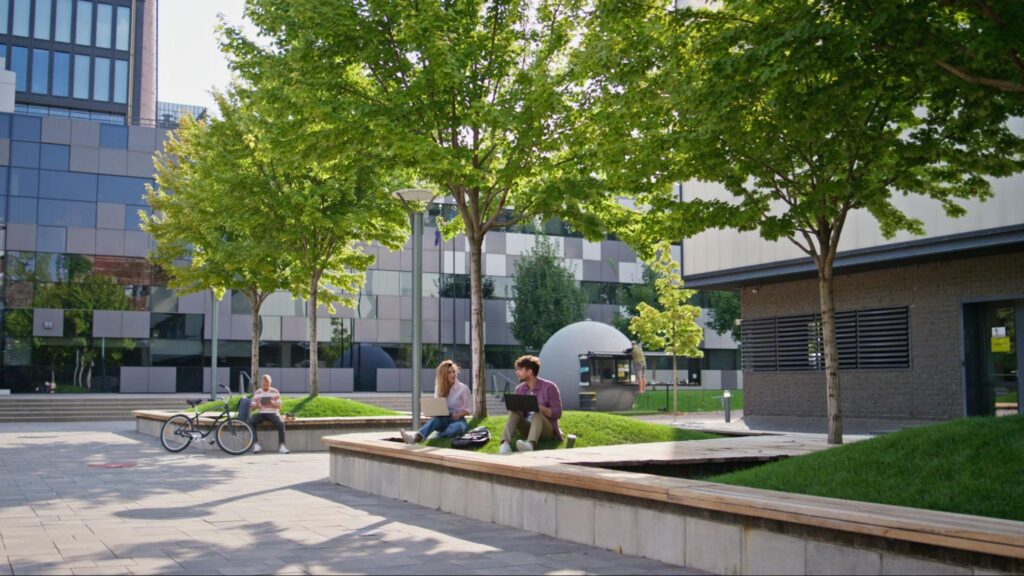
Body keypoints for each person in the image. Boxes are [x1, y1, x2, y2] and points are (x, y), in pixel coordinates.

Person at [499, 355, 563, 453]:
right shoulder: (519, 389)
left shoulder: (550, 387)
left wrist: (540, 408)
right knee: (513, 413)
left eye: (520, 370)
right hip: (527, 427)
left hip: (546, 429)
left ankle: (530, 444)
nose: (517, 372)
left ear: (529, 372)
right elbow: (519, 414)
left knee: (537, 414)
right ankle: (505, 445)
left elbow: (557, 413)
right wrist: (516, 408)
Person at [401, 360, 472, 444]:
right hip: (443, 419)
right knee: (435, 419)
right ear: (443, 375)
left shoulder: (463, 388)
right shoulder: (439, 387)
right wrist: (433, 412)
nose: (453, 375)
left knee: (457, 427)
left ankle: (433, 437)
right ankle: (414, 438)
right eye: (449, 372)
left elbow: (470, 409)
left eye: (454, 371)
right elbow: (438, 406)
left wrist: (459, 414)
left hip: (458, 420)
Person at [249, 374, 289, 454]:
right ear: (261, 383)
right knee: (251, 421)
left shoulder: (275, 391)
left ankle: (282, 446)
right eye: (264, 384)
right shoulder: (257, 392)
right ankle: (256, 444)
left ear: (270, 383)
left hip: (273, 413)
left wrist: (271, 402)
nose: (265, 386)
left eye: (267, 384)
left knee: (281, 423)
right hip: (261, 413)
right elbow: (252, 408)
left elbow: (279, 406)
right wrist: (257, 404)